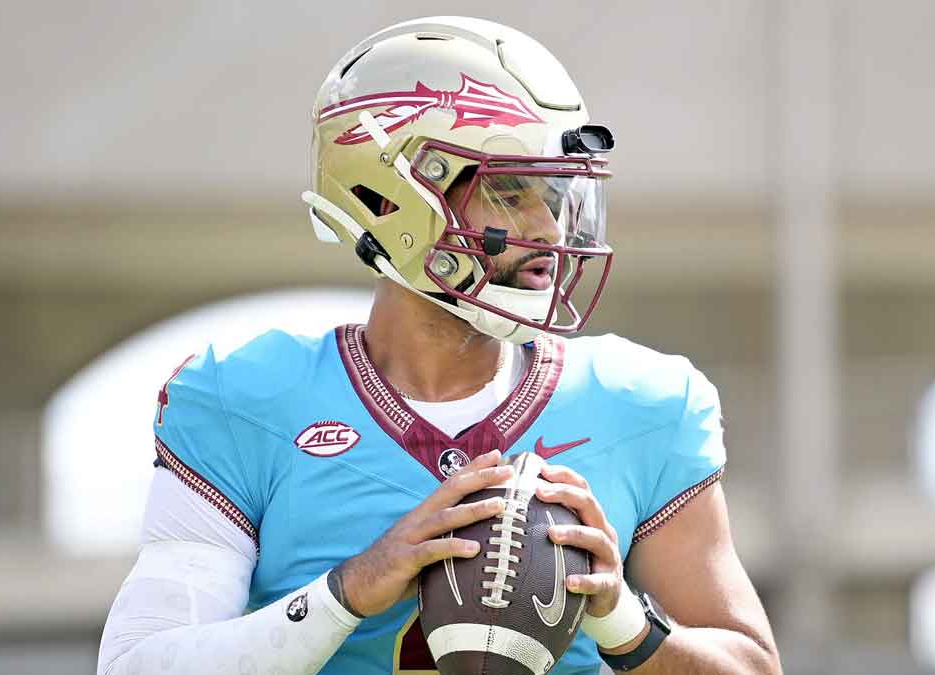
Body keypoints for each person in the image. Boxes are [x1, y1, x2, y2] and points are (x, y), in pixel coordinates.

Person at [97, 15, 780, 675]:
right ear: (392, 199)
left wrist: (624, 623)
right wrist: (350, 589)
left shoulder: (644, 404)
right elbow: (138, 664)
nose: (546, 226)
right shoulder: (244, 398)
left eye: (554, 190)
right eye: (509, 189)